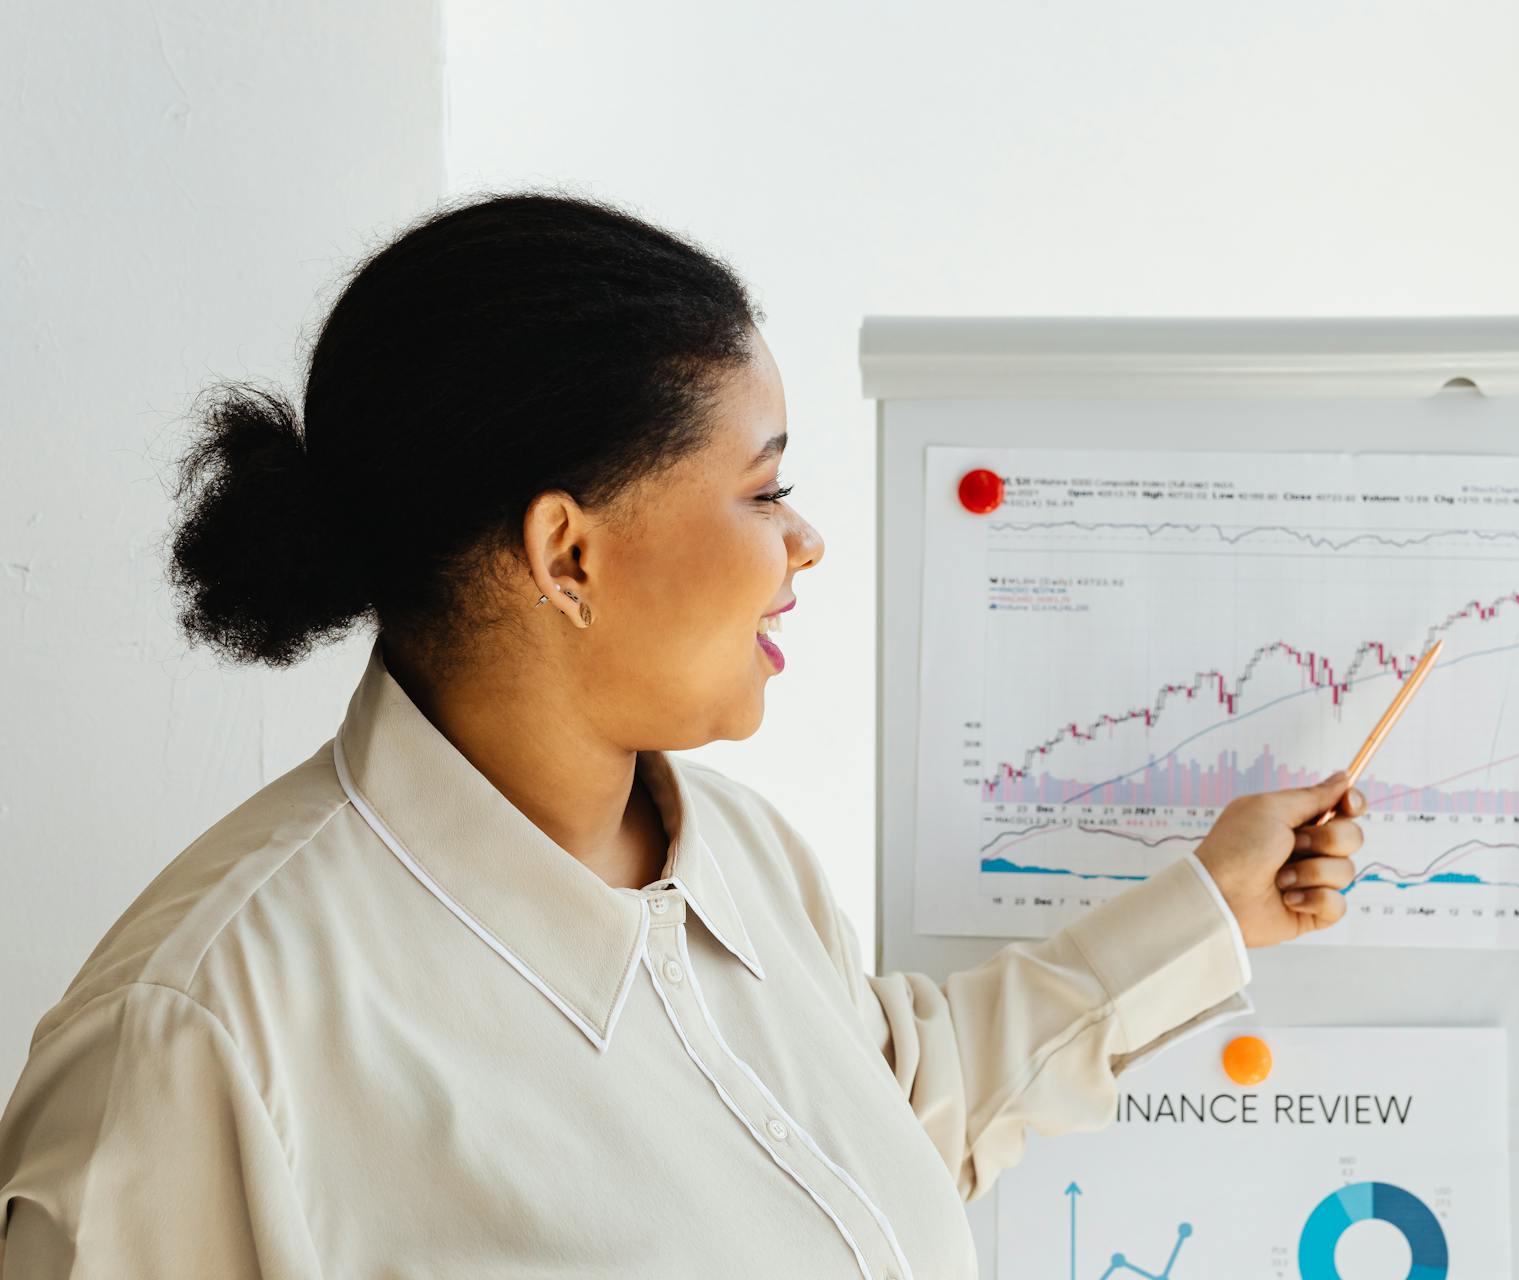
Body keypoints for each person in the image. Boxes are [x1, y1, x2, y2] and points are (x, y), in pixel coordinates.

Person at [0, 191, 1364, 1277]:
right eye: (767, 489)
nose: (808, 542)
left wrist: (1211, 907)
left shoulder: (741, 863)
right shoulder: (200, 1037)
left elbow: (881, 1132)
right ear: (568, 553)